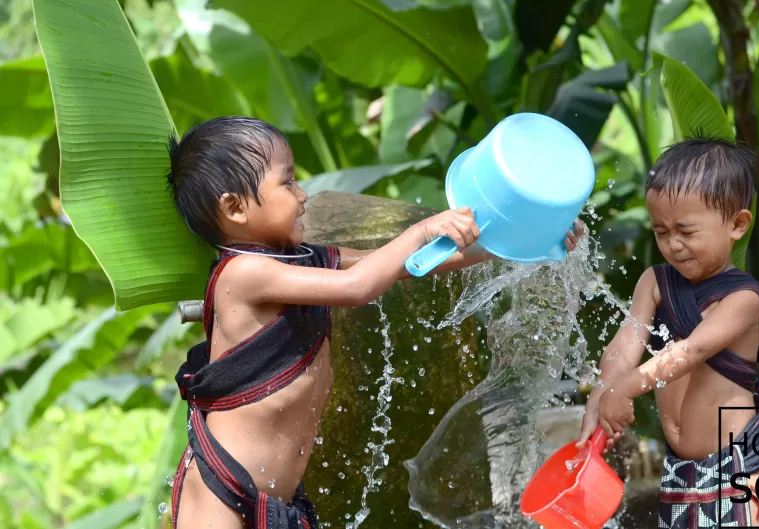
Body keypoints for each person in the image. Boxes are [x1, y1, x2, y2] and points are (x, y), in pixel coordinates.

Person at [164, 116, 585, 529]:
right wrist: (421, 229)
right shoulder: (242, 275)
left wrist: (515, 244)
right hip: (222, 495)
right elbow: (356, 287)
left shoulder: (301, 259)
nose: (303, 194)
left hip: (277, 501)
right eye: (287, 182)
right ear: (235, 207)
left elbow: (401, 266)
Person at [576, 137, 759, 527]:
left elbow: (689, 353)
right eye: (661, 232)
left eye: (686, 231)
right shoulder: (654, 281)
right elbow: (627, 342)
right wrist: (602, 392)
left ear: (737, 224)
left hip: (740, 462)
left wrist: (626, 389)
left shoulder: (744, 298)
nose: (673, 245)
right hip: (682, 468)